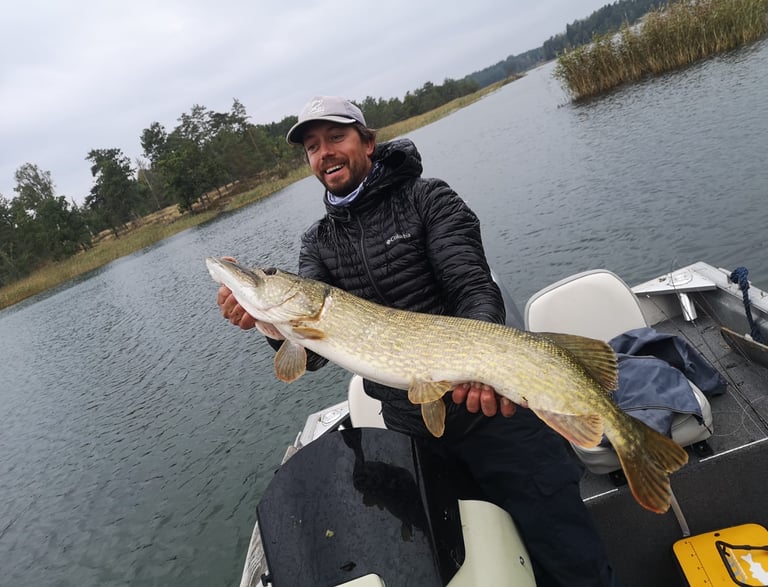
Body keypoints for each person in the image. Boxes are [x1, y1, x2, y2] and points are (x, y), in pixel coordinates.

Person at [217, 95, 617, 586]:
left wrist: (480, 368)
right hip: (413, 437)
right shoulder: (317, 243)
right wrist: (264, 323)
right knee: (467, 568)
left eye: (336, 138)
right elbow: (311, 357)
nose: (325, 154)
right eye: (313, 147)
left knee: (572, 561)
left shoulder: (428, 199)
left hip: (494, 421)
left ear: (367, 142)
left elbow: (474, 288)